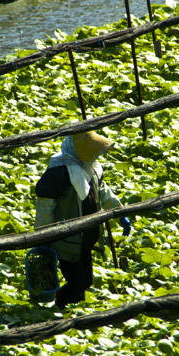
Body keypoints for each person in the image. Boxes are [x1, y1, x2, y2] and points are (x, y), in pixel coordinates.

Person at [34, 131, 129, 310]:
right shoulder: (59, 173)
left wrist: (119, 212)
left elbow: (103, 192)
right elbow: (44, 208)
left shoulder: (91, 167)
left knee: (87, 281)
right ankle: (59, 308)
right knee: (77, 282)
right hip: (66, 238)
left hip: (86, 235)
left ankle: (74, 312)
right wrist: (42, 236)